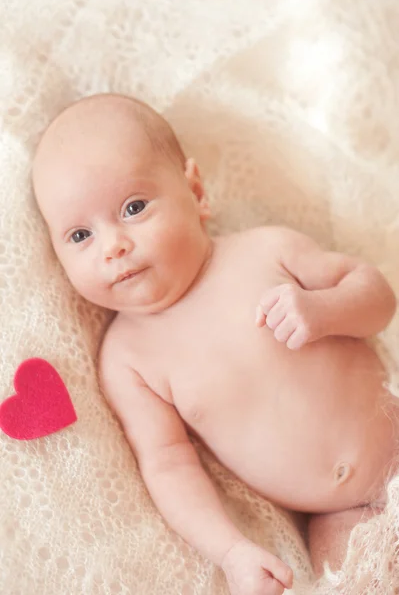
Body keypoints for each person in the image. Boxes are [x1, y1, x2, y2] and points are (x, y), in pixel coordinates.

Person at [32, 93, 398, 595]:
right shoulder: (128, 360)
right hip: (338, 517)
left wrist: (324, 312)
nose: (112, 245)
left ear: (195, 190)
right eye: (79, 236)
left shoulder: (266, 251)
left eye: (133, 208)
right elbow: (167, 465)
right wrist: (232, 551)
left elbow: (378, 296)